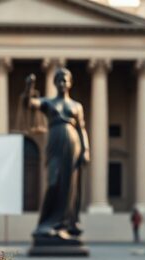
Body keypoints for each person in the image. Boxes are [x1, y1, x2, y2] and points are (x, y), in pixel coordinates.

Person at [23, 68, 89, 241]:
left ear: (70, 83)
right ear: (54, 83)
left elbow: (81, 128)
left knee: (70, 184)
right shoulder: (49, 102)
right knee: (53, 181)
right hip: (55, 141)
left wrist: (86, 150)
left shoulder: (76, 106)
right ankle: (46, 223)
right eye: (59, 80)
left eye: (65, 80)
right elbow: (30, 103)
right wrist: (29, 87)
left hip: (73, 143)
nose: (62, 83)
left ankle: (67, 224)